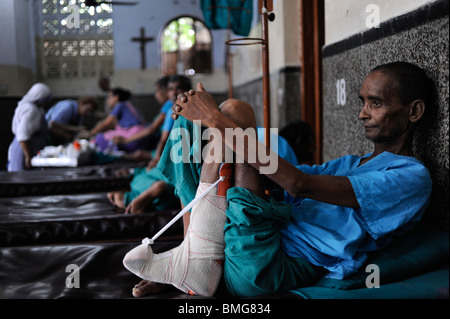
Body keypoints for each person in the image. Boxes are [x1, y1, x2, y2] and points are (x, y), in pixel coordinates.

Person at [123, 61, 434, 298]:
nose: (363, 114)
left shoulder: (410, 177)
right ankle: (194, 255)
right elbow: (280, 182)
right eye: (363, 102)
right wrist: (209, 134)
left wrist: (216, 120)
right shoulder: (352, 163)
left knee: (236, 112)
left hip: (267, 263)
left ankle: (196, 260)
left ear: (414, 111)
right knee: (194, 131)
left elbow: (298, 183)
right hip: (256, 237)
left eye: (375, 103)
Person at [112, 76, 173, 161]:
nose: (156, 95)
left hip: (158, 143)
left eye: (157, 91)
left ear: (166, 91)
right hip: (155, 141)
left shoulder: (170, 105)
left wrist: (126, 140)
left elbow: (152, 129)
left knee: (136, 153)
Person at [7, 83, 52, 172]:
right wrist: (28, 156)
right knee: (21, 177)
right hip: (23, 150)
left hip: (32, 147)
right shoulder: (30, 110)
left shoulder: (37, 108)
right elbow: (22, 135)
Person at [88, 87, 147, 153]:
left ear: (116, 97)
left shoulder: (119, 105)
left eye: (109, 97)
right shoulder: (128, 104)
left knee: (100, 138)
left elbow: (106, 124)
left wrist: (90, 133)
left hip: (133, 138)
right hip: (141, 138)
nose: (107, 100)